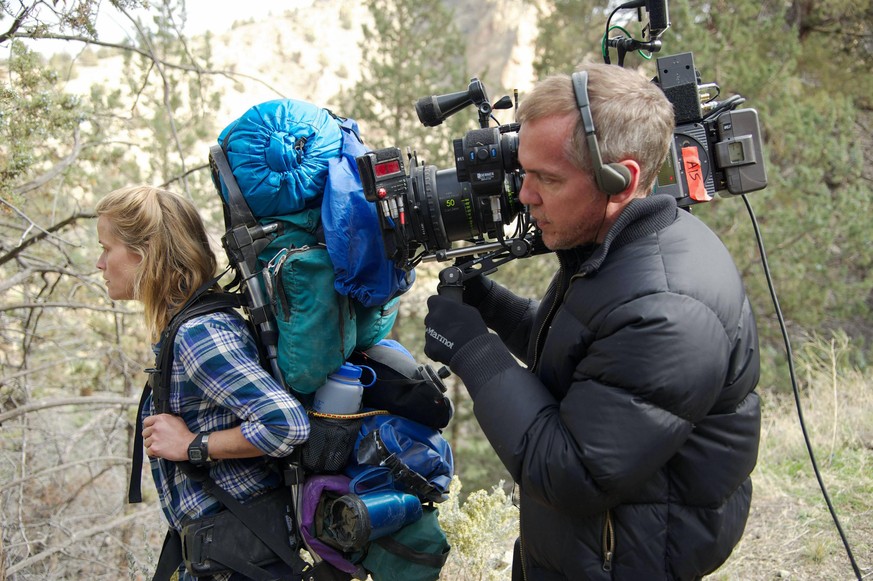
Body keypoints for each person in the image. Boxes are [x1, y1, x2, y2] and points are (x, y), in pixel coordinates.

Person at [423, 63, 761, 580]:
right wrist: (490, 305)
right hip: (586, 550)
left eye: (548, 179)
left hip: (623, 562)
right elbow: (586, 352)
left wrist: (475, 351)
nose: (524, 196)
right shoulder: (624, 245)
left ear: (620, 180)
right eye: (524, 170)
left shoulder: (669, 311)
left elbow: (571, 471)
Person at [96, 185, 310, 580]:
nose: (99, 262)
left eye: (106, 248)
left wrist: (192, 446)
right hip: (230, 558)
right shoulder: (187, 328)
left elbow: (287, 425)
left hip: (247, 564)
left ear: (143, 253)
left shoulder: (199, 333)